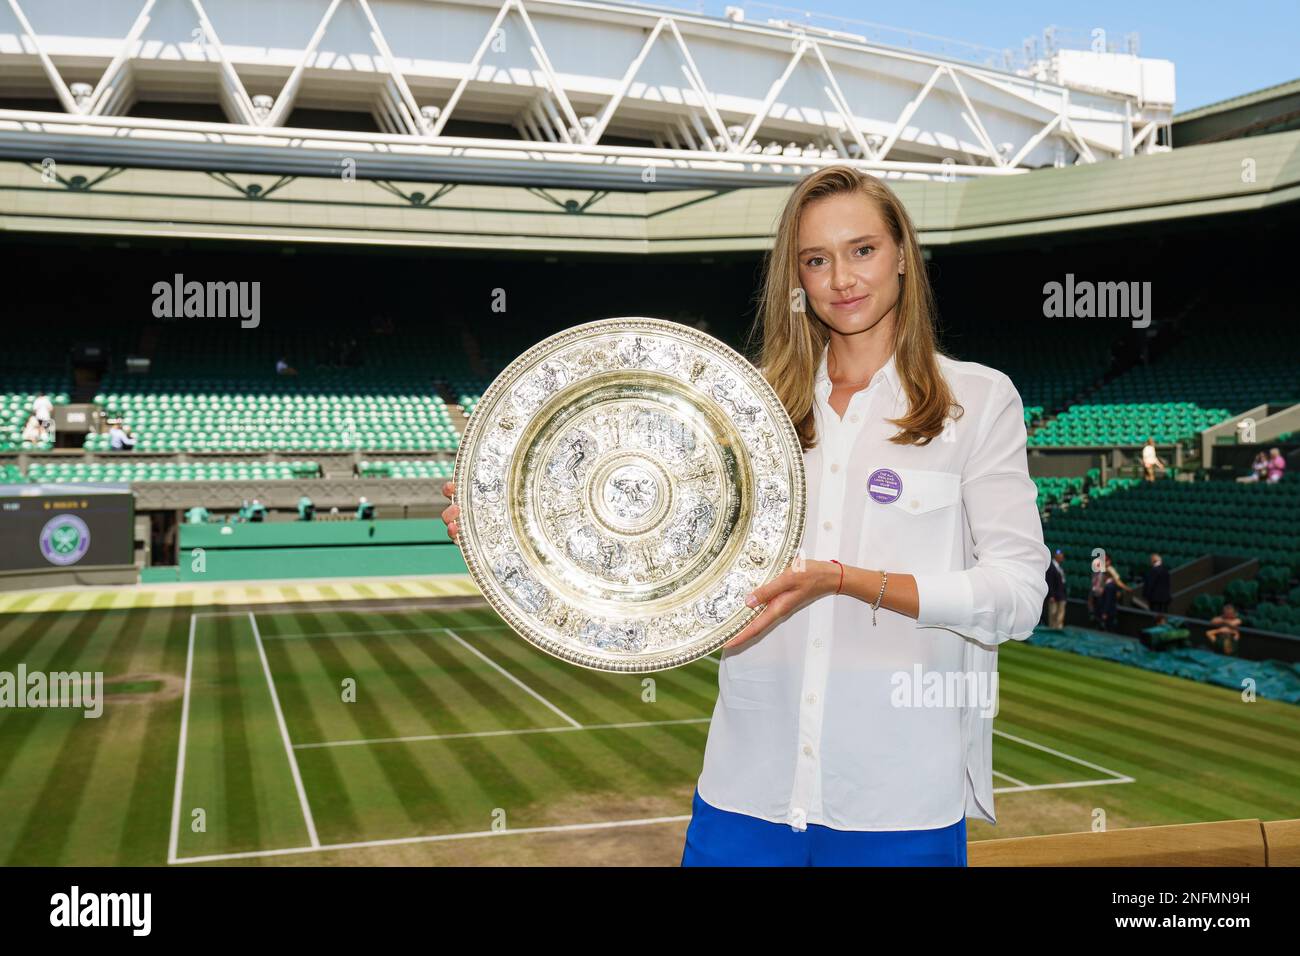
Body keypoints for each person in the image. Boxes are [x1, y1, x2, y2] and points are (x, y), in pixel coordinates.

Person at [440, 166, 1050, 866]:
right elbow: (646, 541)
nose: (841, 278)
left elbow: (1019, 597)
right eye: (816, 260)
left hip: (899, 804)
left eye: (863, 250)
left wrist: (848, 580)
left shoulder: (975, 399)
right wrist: (503, 530)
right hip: (745, 796)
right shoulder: (741, 410)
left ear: (904, 255)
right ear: (796, 280)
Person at [1096, 554, 1132, 631]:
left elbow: (1118, 582)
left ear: (1109, 561)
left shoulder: (1111, 570)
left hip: (1107, 596)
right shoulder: (1099, 570)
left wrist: (1126, 588)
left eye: (1105, 561)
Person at [1045, 548, 1067, 628]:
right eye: (1060, 555)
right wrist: (1051, 595)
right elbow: (1049, 581)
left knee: (1060, 614)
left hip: (1061, 595)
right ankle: (1052, 630)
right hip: (1054, 595)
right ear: (1056, 556)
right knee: (1053, 614)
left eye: (1062, 555)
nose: (1062, 557)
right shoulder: (1051, 566)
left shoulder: (1060, 568)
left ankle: (1058, 629)